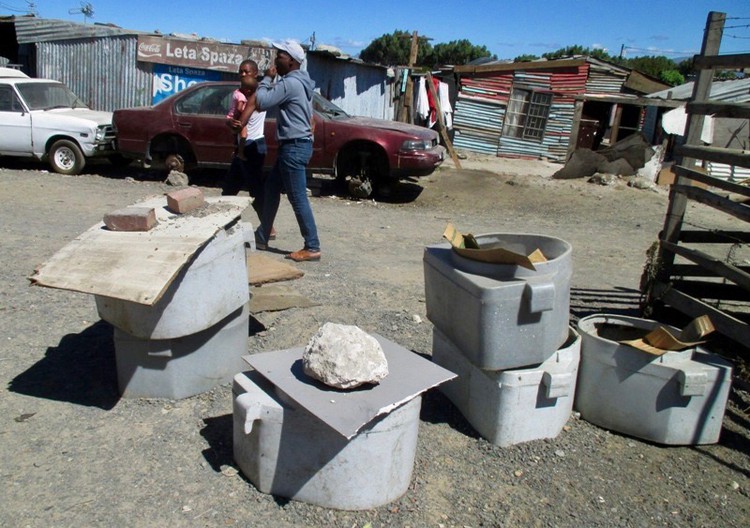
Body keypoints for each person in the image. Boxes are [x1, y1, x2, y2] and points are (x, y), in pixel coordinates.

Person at [254, 39, 320, 262]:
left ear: (291, 60)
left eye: (280, 55)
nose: (275, 59)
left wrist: (266, 78)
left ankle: (312, 246)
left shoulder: (290, 83)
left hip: (293, 147)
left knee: (298, 197)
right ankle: (262, 235)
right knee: (272, 189)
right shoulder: (302, 82)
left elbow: (262, 101)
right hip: (296, 145)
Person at [222, 59, 274, 238]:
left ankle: (268, 227)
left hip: (254, 144)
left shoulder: (259, 93)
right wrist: (231, 122)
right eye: (240, 72)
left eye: (247, 71)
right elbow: (230, 118)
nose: (243, 75)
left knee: (255, 189)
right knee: (230, 188)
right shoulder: (237, 95)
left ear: (255, 73)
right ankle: (223, 223)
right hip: (241, 145)